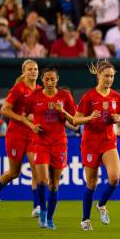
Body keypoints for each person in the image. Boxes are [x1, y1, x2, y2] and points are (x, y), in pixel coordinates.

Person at [21, 67, 76, 229]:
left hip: (59, 144)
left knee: (54, 184)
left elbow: (74, 121)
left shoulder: (65, 96)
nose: (49, 82)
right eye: (46, 79)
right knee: (43, 180)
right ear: (42, 80)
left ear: (57, 79)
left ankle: (50, 219)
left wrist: (63, 111)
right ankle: (43, 211)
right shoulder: (34, 96)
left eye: (52, 79)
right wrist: (32, 127)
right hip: (40, 142)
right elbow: (23, 117)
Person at [75, 59, 120, 230]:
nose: (109, 79)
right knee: (92, 183)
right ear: (98, 75)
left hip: (108, 141)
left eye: (112, 76)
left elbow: (117, 116)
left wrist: (118, 118)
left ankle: (101, 205)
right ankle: (85, 220)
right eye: (106, 76)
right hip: (90, 143)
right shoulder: (88, 97)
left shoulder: (117, 97)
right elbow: (75, 119)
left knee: (115, 178)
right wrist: (89, 118)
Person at [0, 60, 41, 217]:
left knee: (36, 169)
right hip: (16, 134)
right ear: (24, 71)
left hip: (33, 134)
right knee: (14, 172)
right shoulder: (18, 89)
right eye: (30, 69)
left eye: (35, 69)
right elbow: (4, 110)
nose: (33, 71)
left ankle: (37, 207)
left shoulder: (40, 90)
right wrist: (23, 119)